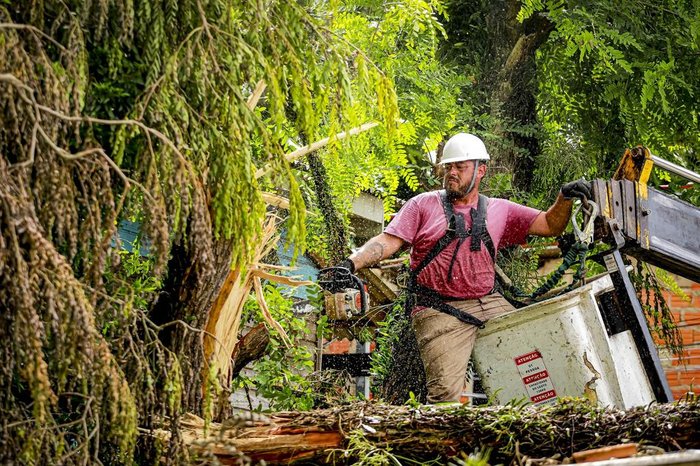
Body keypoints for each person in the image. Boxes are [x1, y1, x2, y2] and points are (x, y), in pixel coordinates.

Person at [320, 132, 592, 403]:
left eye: (460, 167)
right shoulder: (422, 205)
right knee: (446, 397)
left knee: (535, 358)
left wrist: (565, 198)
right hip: (439, 310)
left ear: (481, 170)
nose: (452, 173)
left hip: (489, 302)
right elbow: (388, 241)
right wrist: (349, 264)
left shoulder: (500, 210)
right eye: (448, 167)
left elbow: (549, 225)